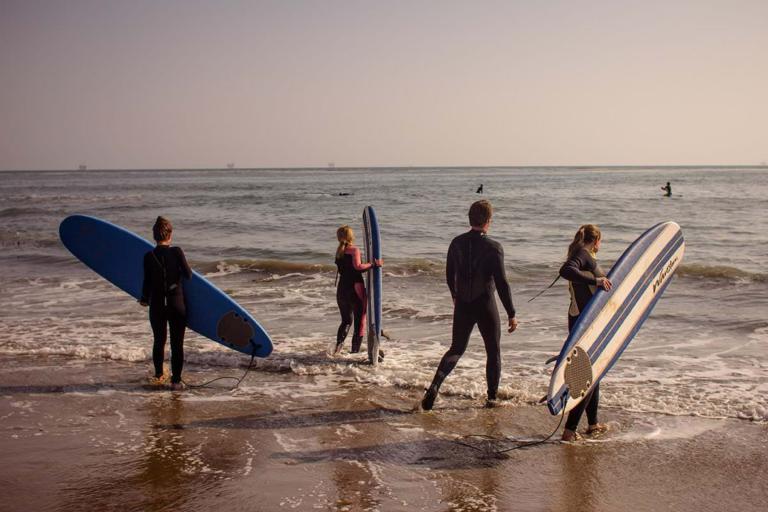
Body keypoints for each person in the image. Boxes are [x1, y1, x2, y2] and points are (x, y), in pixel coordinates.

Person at [421, 200, 518, 410]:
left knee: (456, 348)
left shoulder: (456, 243)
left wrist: (455, 296)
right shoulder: (494, 247)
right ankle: (491, 399)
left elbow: (449, 275)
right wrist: (511, 312)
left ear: (470, 219)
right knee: (493, 351)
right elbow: (501, 283)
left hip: (463, 304)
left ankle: (434, 387)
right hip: (485, 304)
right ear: (488, 221)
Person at [558, 224, 612, 440]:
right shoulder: (584, 255)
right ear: (596, 240)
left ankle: (593, 423)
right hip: (584, 323)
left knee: (593, 373)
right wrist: (596, 280)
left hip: (578, 319)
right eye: (601, 241)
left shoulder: (581, 254)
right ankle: (570, 431)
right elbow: (566, 270)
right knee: (588, 375)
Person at [139, 216, 192, 391]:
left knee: (159, 341)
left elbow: (146, 283)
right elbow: (188, 275)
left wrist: (145, 299)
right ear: (170, 234)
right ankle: (176, 382)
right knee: (177, 344)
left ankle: (159, 375)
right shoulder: (177, 252)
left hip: (157, 307)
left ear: (154, 235)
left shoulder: (149, 256)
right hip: (177, 305)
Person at [333, 225, 382, 355]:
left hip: (342, 289)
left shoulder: (339, 252)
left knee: (346, 321)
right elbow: (358, 267)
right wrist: (373, 264)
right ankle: (354, 352)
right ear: (351, 236)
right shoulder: (354, 250)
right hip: (355, 288)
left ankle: (337, 350)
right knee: (360, 320)